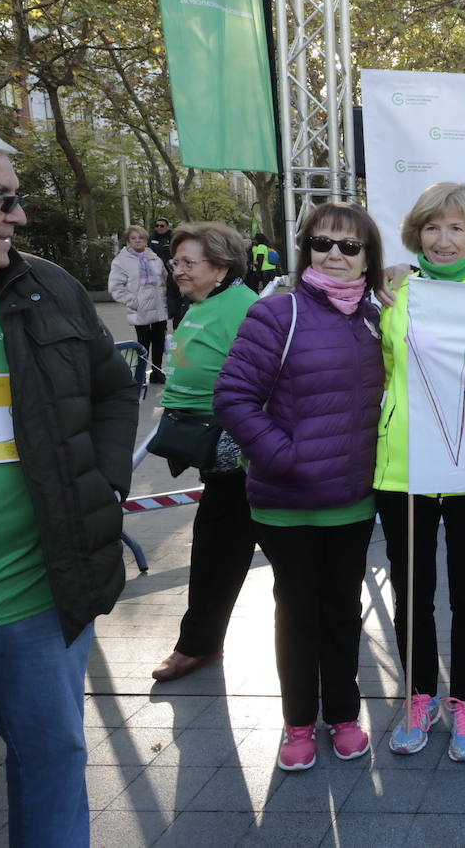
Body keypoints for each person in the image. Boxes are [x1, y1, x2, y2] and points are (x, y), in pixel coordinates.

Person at [0, 135, 138, 846]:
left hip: (38, 600)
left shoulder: (52, 287)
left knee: (52, 758)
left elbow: (116, 392)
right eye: (0, 199)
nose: (16, 216)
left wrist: (104, 483)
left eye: (14, 196)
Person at [215, 202, 386, 771]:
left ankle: (342, 714)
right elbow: (234, 399)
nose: (334, 255)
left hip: (352, 502)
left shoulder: (377, 316)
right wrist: (283, 458)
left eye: (349, 246)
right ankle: (296, 723)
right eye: (322, 243)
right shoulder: (278, 313)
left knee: (342, 611)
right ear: (305, 248)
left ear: (369, 255)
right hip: (286, 504)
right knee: (296, 614)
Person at [375, 183, 465, 760]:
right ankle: (421, 695)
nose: (443, 238)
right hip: (402, 470)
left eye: (456, 227)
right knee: (412, 591)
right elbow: (380, 369)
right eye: (432, 227)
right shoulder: (391, 292)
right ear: (416, 234)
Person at [150, 223, 259, 683]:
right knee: (216, 552)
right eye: (177, 262)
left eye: (189, 263)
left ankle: (312, 656)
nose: (178, 270)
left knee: (225, 552)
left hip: (245, 461)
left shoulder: (246, 310)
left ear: (221, 267)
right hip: (218, 457)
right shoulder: (202, 304)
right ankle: (199, 644)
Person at [108, 224, 169, 384]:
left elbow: (164, 278)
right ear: (128, 241)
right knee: (142, 343)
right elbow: (115, 287)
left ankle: (157, 372)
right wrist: (134, 302)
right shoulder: (121, 261)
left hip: (158, 307)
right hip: (140, 309)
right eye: (133, 238)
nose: (137, 241)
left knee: (159, 341)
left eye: (140, 238)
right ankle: (140, 374)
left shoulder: (154, 257)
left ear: (146, 240)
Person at [150, 217, 187, 328]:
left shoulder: (173, 237)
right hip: (157, 273)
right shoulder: (151, 238)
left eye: (162, 226)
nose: (159, 228)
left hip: (172, 271)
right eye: (157, 226)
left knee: (177, 298)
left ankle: (177, 320)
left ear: (167, 226)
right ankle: (167, 319)